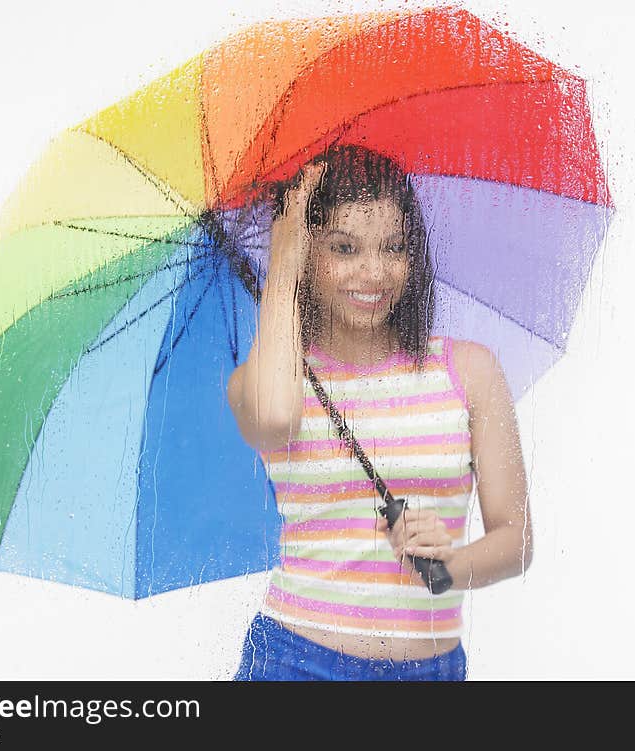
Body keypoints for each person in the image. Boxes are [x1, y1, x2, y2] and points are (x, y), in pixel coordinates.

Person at [226, 144, 531, 681]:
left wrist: (449, 567)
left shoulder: (470, 371)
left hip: (429, 671)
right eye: (344, 249)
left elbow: (518, 537)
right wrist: (282, 263)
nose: (374, 273)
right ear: (308, 256)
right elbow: (273, 420)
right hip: (295, 664)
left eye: (393, 248)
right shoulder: (267, 381)